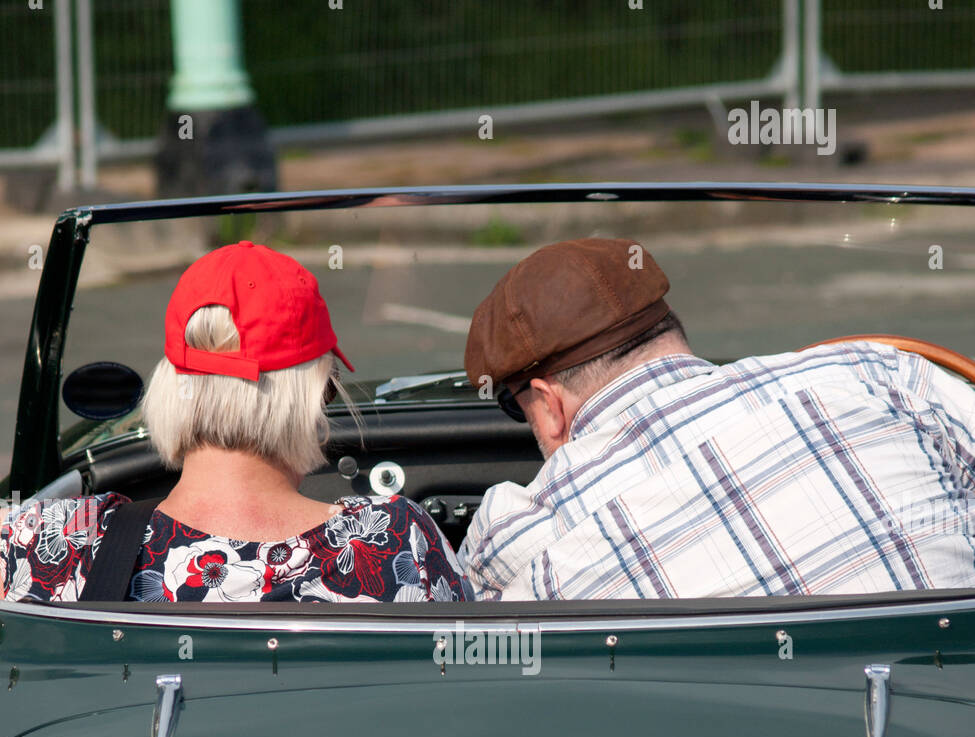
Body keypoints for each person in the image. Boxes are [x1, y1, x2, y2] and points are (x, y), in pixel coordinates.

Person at [460, 237, 975, 600]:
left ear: (548, 404)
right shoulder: (873, 373)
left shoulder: (514, 531)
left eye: (515, 406)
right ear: (669, 331)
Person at [0, 241, 473, 604]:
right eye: (327, 388)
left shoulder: (50, 539)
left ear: (170, 385)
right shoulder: (397, 543)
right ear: (306, 400)